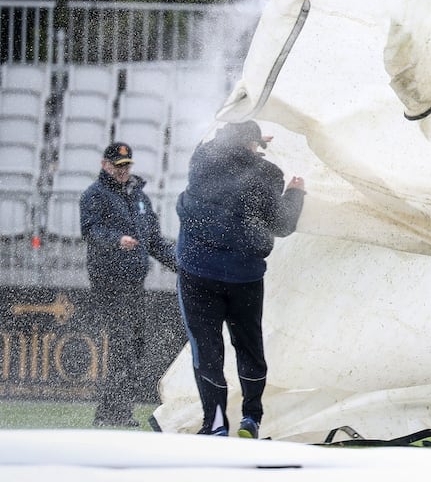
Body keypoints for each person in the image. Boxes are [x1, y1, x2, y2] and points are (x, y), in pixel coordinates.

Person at [175, 120, 306, 438]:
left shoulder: (203, 161)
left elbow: (210, 139)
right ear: (254, 145)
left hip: (198, 271)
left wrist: (246, 137)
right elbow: (282, 224)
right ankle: (251, 417)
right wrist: (296, 193)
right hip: (243, 276)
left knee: (207, 350)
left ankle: (216, 421)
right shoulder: (268, 174)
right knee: (248, 346)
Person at [80, 141, 178, 428]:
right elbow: (91, 230)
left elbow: (155, 241)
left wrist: (180, 267)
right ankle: (114, 412)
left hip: (134, 282)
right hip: (109, 282)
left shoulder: (140, 197)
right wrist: (116, 240)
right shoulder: (94, 195)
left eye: (126, 166)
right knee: (123, 343)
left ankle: (111, 411)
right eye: (117, 166)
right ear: (105, 165)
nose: (123, 171)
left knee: (134, 346)